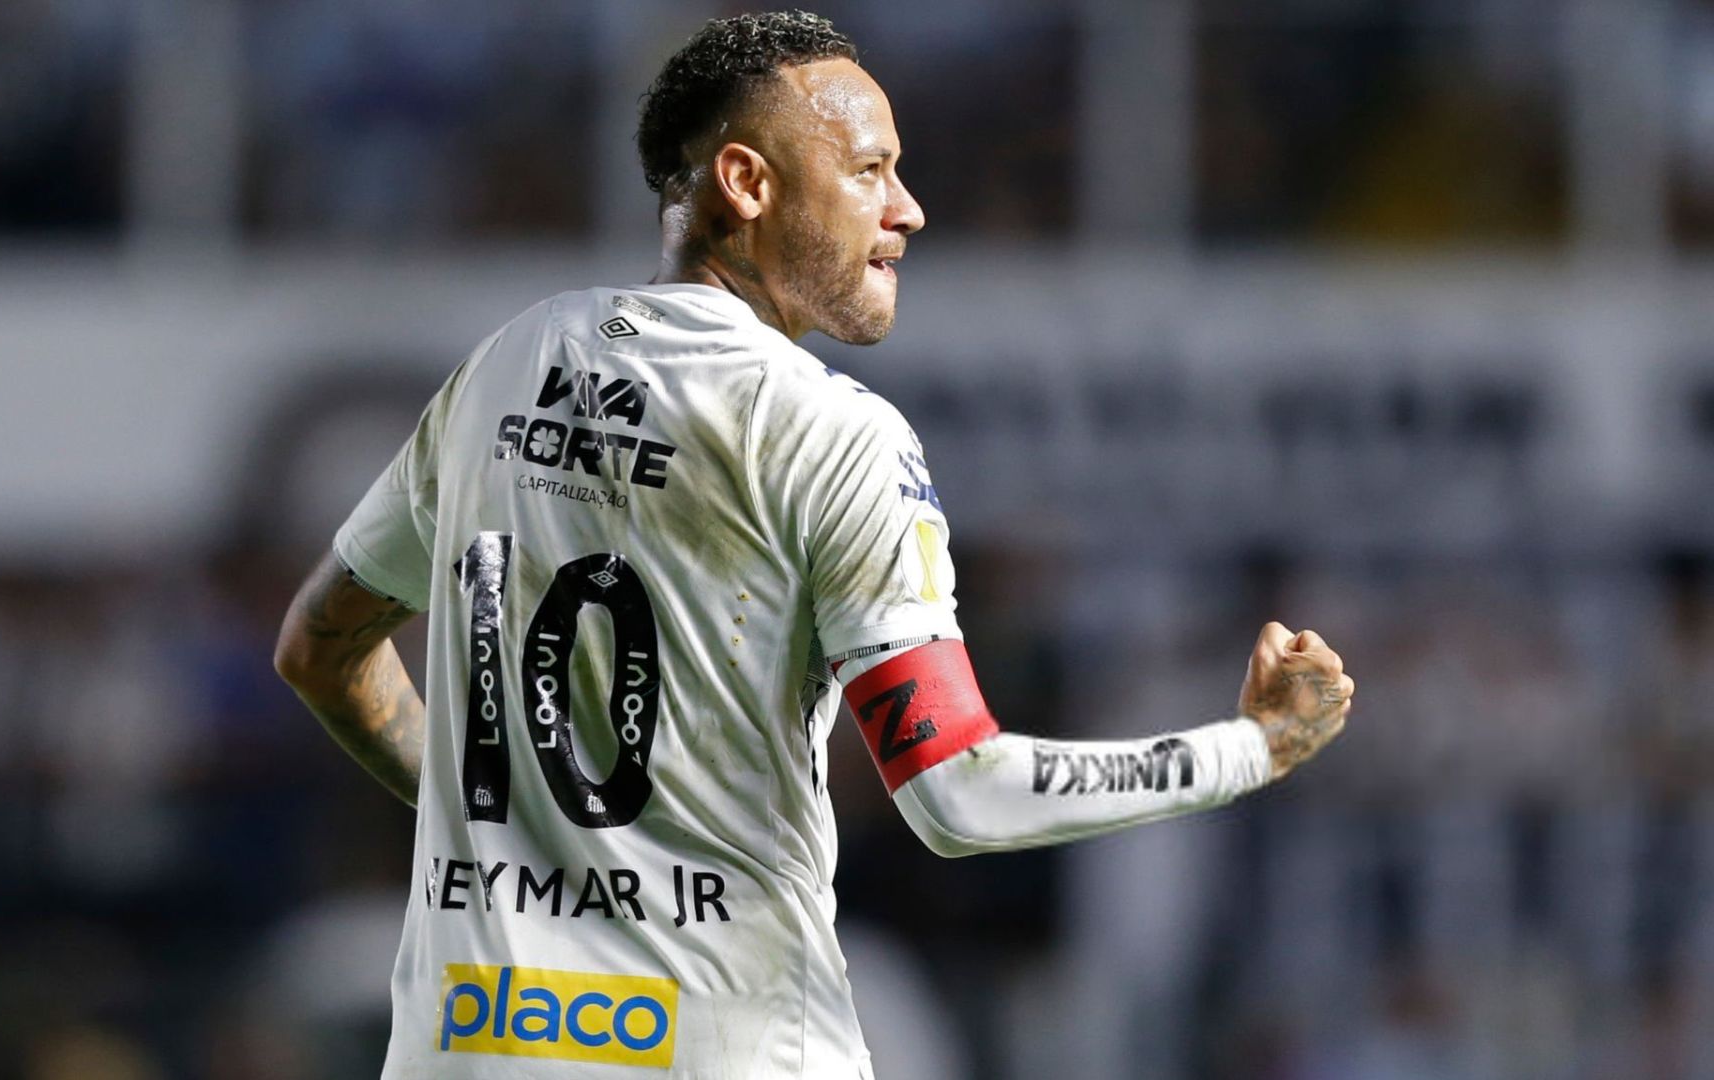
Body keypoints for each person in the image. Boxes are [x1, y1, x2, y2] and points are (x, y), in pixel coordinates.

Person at [272, 11, 1352, 1079]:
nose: (909, 211)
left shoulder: (506, 364)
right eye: (871, 171)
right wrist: (1250, 748)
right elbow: (960, 792)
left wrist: (515, 832)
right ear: (747, 183)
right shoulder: (827, 433)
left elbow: (320, 649)